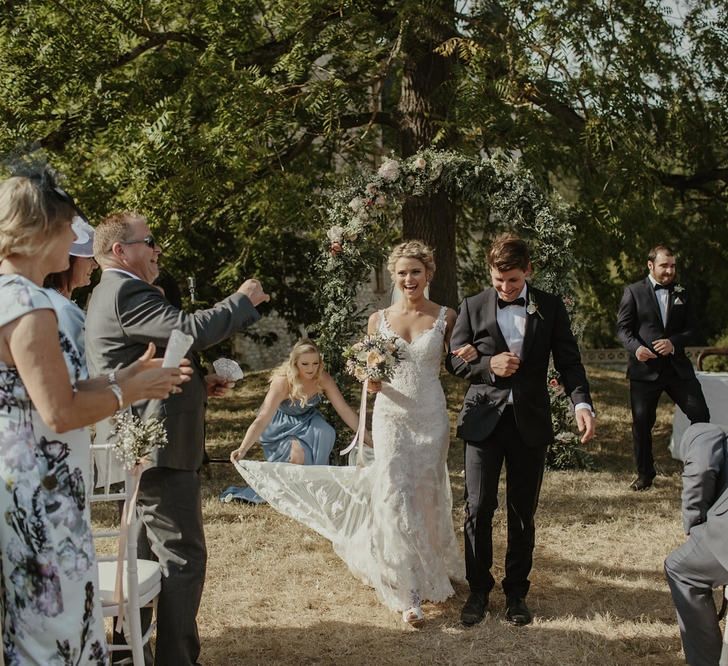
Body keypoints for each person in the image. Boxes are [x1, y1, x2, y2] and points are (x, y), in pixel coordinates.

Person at [0, 174, 189, 664]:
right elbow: (60, 412)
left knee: (50, 625)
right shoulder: (30, 306)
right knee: (54, 633)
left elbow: (51, 391)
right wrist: (130, 391)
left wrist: (126, 376)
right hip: (40, 495)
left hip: (32, 483)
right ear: (40, 230)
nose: (74, 239)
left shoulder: (15, 296)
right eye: (68, 227)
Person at [234, 240, 463, 626]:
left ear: (429, 274)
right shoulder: (379, 320)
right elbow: (371, 368)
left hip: (430, 416)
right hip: (390, 417)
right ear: (394, 276)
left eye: (416, 272)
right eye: (402, 273)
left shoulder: (447, 316)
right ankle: (406, 590)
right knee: (393, 494)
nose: (409, 279)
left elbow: (455, 366)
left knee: (426, 491)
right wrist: (370, 381)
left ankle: (431, 569)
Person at [84, 210, 269, 666]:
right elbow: (186, 331)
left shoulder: (112, 291)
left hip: (147, 445)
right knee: (183, 558)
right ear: (119, 250)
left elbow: (152, 359)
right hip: (156, 449)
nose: (157, 249)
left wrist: (197, 386)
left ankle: (131, 652)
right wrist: (240, 301)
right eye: (149, 241)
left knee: (145, 555)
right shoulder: (126, 289)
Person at [445, 233, 595, 627]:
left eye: (512, 280)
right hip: (483, 421)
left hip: (530, 422)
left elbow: (569, 362)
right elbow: (454, 362)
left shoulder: (549, 306)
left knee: (522, 511)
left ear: (527, 270)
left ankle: (516, 593)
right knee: (477, 508)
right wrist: (486, 366)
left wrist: (581, 403)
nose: (505, 287)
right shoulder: (473, 306)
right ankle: (478, 591)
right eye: (498, 281)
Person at [230, 339, 372, 503]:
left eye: (315, 363)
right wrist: (243, 448)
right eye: (305, 364)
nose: (311, 369)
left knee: (326, 432)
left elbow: (344, 410)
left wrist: (366, 439)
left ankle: (316, 486)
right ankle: (294, 493)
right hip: (280, 425)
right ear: (295, 363)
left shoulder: (322, 378)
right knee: (298, 455)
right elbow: (262, 418)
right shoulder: (282, 382)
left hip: (307, 420)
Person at [616, 244, 709, 491]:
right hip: (645, 371)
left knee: (700, 415)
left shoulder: (683, 293)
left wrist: (673, 343)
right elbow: (623, 330)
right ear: (650, 265)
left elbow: (693, 329)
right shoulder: (633, 292)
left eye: (672, 266)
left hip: (678, 369)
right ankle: (645, 475)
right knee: (642, 423)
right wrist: (637, 349)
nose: (669, 271)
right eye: (664, 266)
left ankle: (698, 468)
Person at [665, 423, 728, 666]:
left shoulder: (703, 433)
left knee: (680, 569)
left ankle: (706, 661)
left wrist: (693, 524)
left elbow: (701, 470)